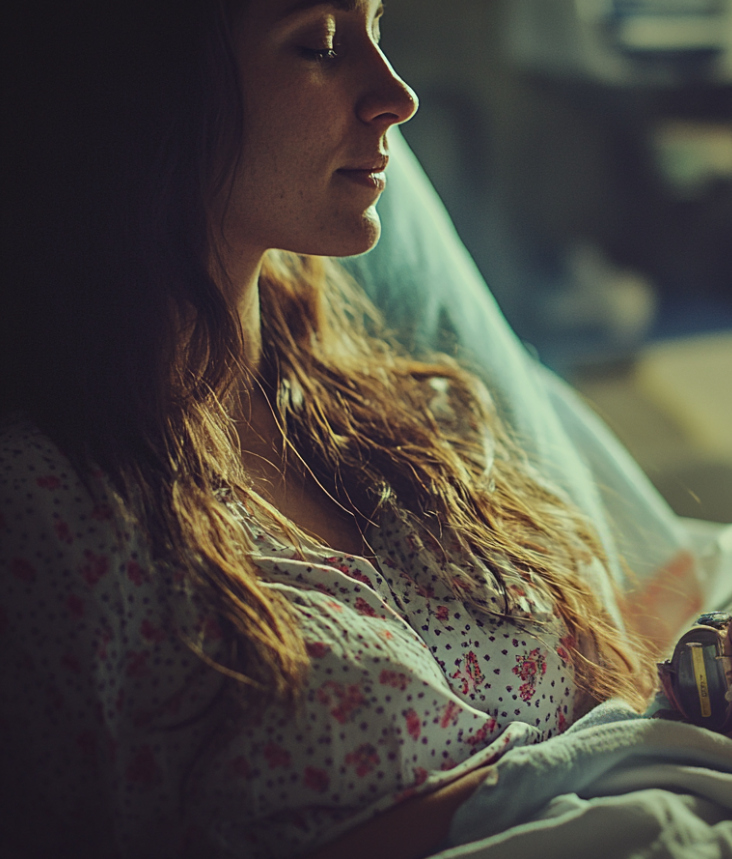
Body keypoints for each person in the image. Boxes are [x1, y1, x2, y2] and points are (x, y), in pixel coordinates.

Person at [1, 2, 660, 858]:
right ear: (146, 91)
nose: (396, 95)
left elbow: (618, 699)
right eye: (319, 44)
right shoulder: (53, 511)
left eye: (378, 29)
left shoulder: (414, 422)